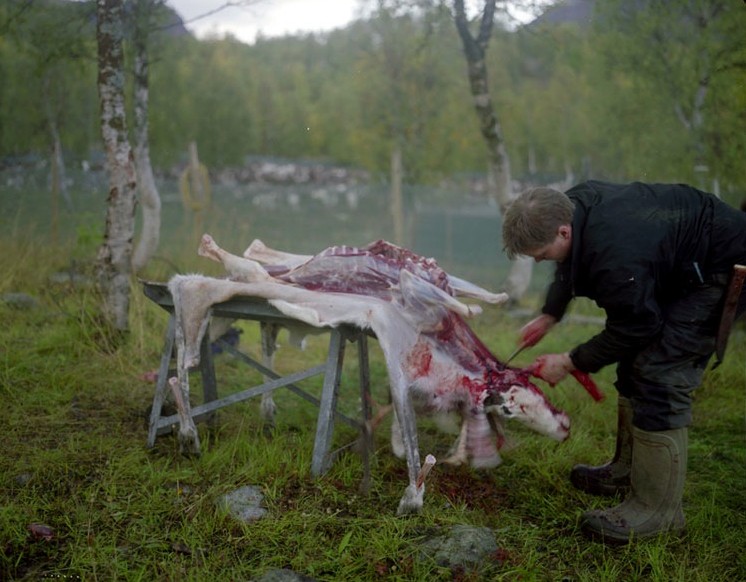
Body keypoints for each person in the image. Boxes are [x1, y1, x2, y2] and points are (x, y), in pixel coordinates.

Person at [501, 180, 746, 544]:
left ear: (563, 230)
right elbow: (569, 265)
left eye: (540, 253)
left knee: (659, 373)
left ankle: (658, 511)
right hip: (682, 261)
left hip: (721, 267)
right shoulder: (573, 206)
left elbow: (636, 325)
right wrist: (551, 314)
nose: (538, 260)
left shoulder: (615, 253)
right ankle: (628, 471)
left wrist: (570, 361)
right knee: (633, 364)